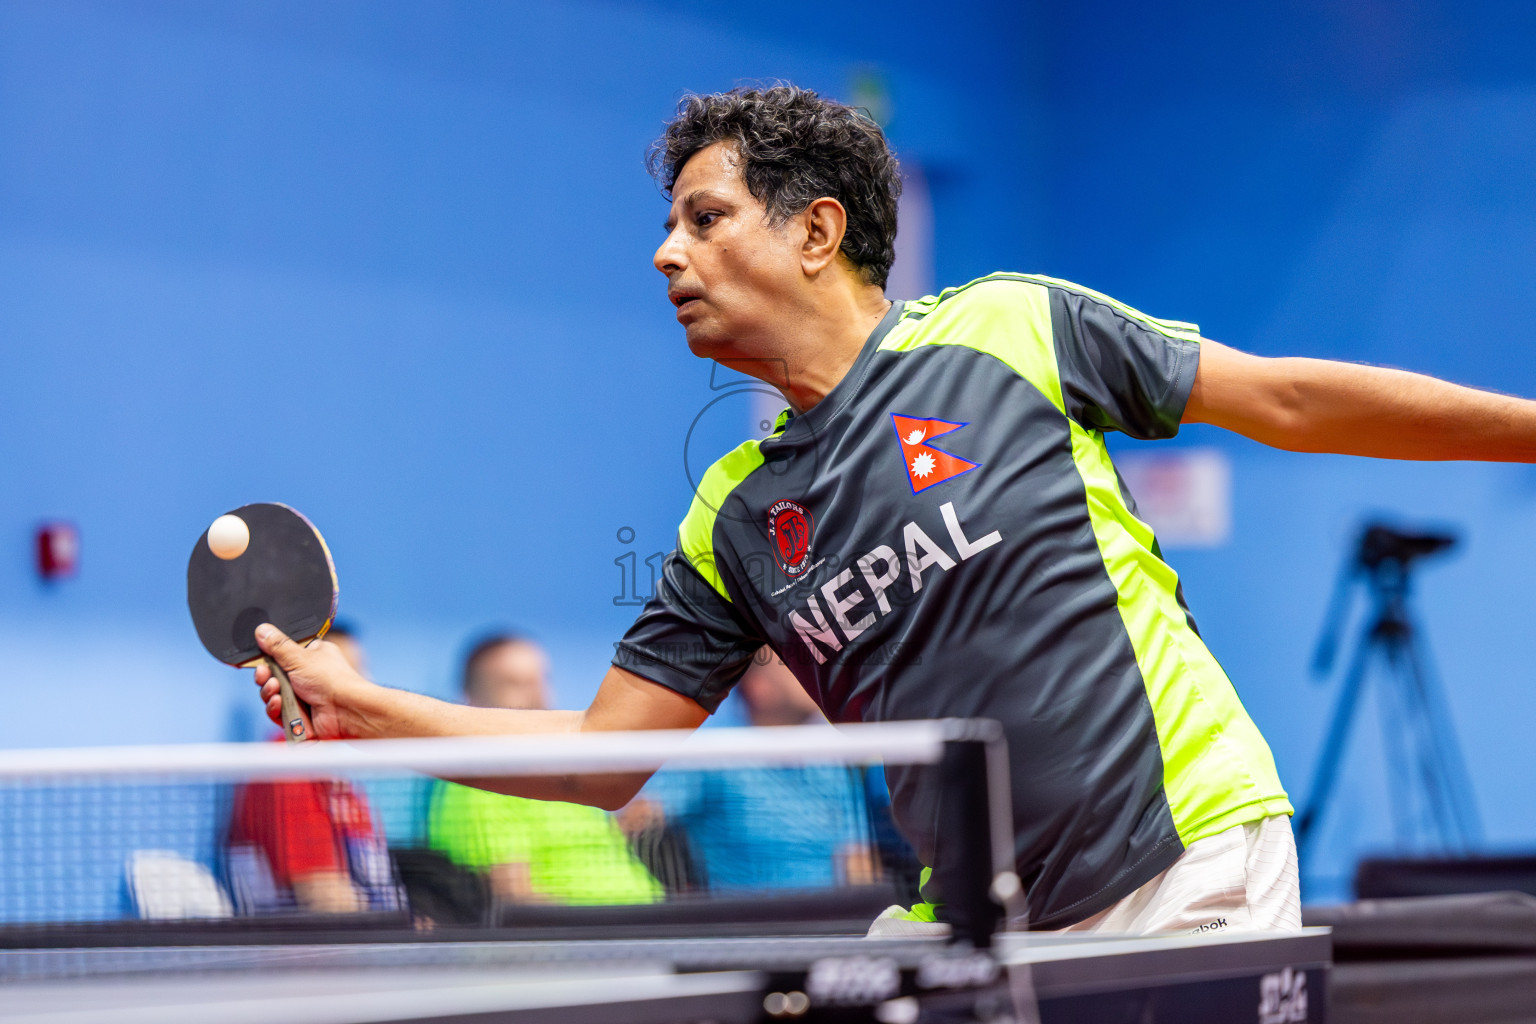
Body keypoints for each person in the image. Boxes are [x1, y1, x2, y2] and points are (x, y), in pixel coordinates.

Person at [248, 85, 1536, 935]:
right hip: (983, 914)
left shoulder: (1007, 329)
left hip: (1187, 857)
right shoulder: (734, 513)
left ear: (816, 232)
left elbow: (1290, 399)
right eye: (669, 226)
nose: (665, 253)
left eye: (705, 218)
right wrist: (359, 707)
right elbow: (599, 756)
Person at [426, 633, 662, 906]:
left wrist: (623, 828)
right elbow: (516, 898)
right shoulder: (479, 784)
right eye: (515, 683)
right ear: (472, 699)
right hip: (601, 929)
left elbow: (580, 857)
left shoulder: (558, 770)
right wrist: (603, 925)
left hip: (651, 917)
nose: (538, 694)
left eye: (541, 680)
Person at [642, 651, 879, 893]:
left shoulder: (832, 759)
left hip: (831, 914)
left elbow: (856, 856)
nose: (817, 676)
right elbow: (640, 821)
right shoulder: (712, 756)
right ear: (760, 687)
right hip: (742, 915)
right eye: (797, 669)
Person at [227, 622, 400, 915]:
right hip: (314, 940)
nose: (366, 685)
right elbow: (325, 898)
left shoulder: (335, 772)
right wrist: (404, 927)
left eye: (362, 671)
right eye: (349, 674)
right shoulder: (289, 766)